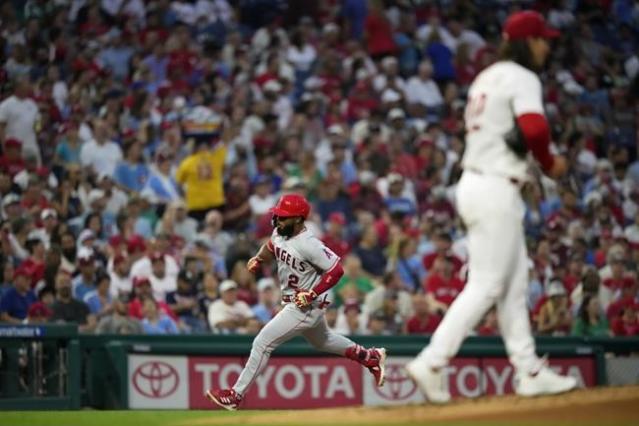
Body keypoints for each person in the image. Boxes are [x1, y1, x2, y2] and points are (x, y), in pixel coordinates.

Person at [405, 11, 577, 403]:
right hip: (495, 185)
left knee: (515, 284)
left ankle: (529, 369)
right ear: (526, 42)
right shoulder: (522, 76)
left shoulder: (487, 75)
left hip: (481, 181)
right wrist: (551, 164)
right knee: (488, 283)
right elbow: (533, 127)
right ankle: (432, 360)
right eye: (541, 39)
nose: (546, 45)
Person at [206, 194, 386, 410]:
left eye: (283, 217)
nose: (277, 220)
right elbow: (272, 246)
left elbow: (336, 270)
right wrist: (259, 258)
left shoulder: (309, 244)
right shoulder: (281, 231)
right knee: (323, 341)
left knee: (262, 342)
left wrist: (312, 292)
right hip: (297, 302)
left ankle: (235, 395)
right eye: (278, 215)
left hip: (305, 306)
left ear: (299, 219)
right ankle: (370, 357)